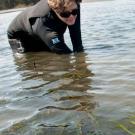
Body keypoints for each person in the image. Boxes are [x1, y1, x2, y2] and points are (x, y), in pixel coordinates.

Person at [7, 0, 84, 54]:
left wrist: (80, 57)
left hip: (46, 28)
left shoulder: (73, 5)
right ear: (55, 10)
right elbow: (64, 53)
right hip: (20, 35)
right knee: (29, 61)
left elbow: (76, 36)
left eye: (74, 12)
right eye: (65, 14)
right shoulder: (43, 21)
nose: (71, 17)